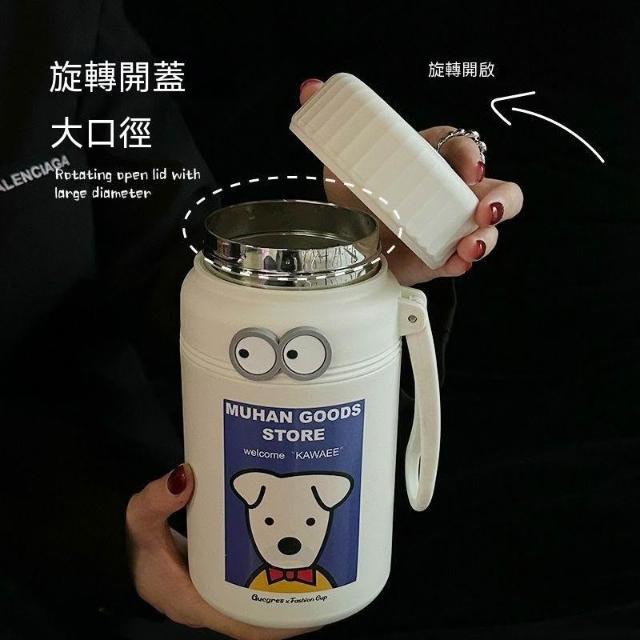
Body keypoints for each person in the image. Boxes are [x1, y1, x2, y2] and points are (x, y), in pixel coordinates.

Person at [0, 2, 521, 639]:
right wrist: (90, 539)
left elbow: (167, 256)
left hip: (122, 513)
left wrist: (343, 272)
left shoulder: (60, 23)